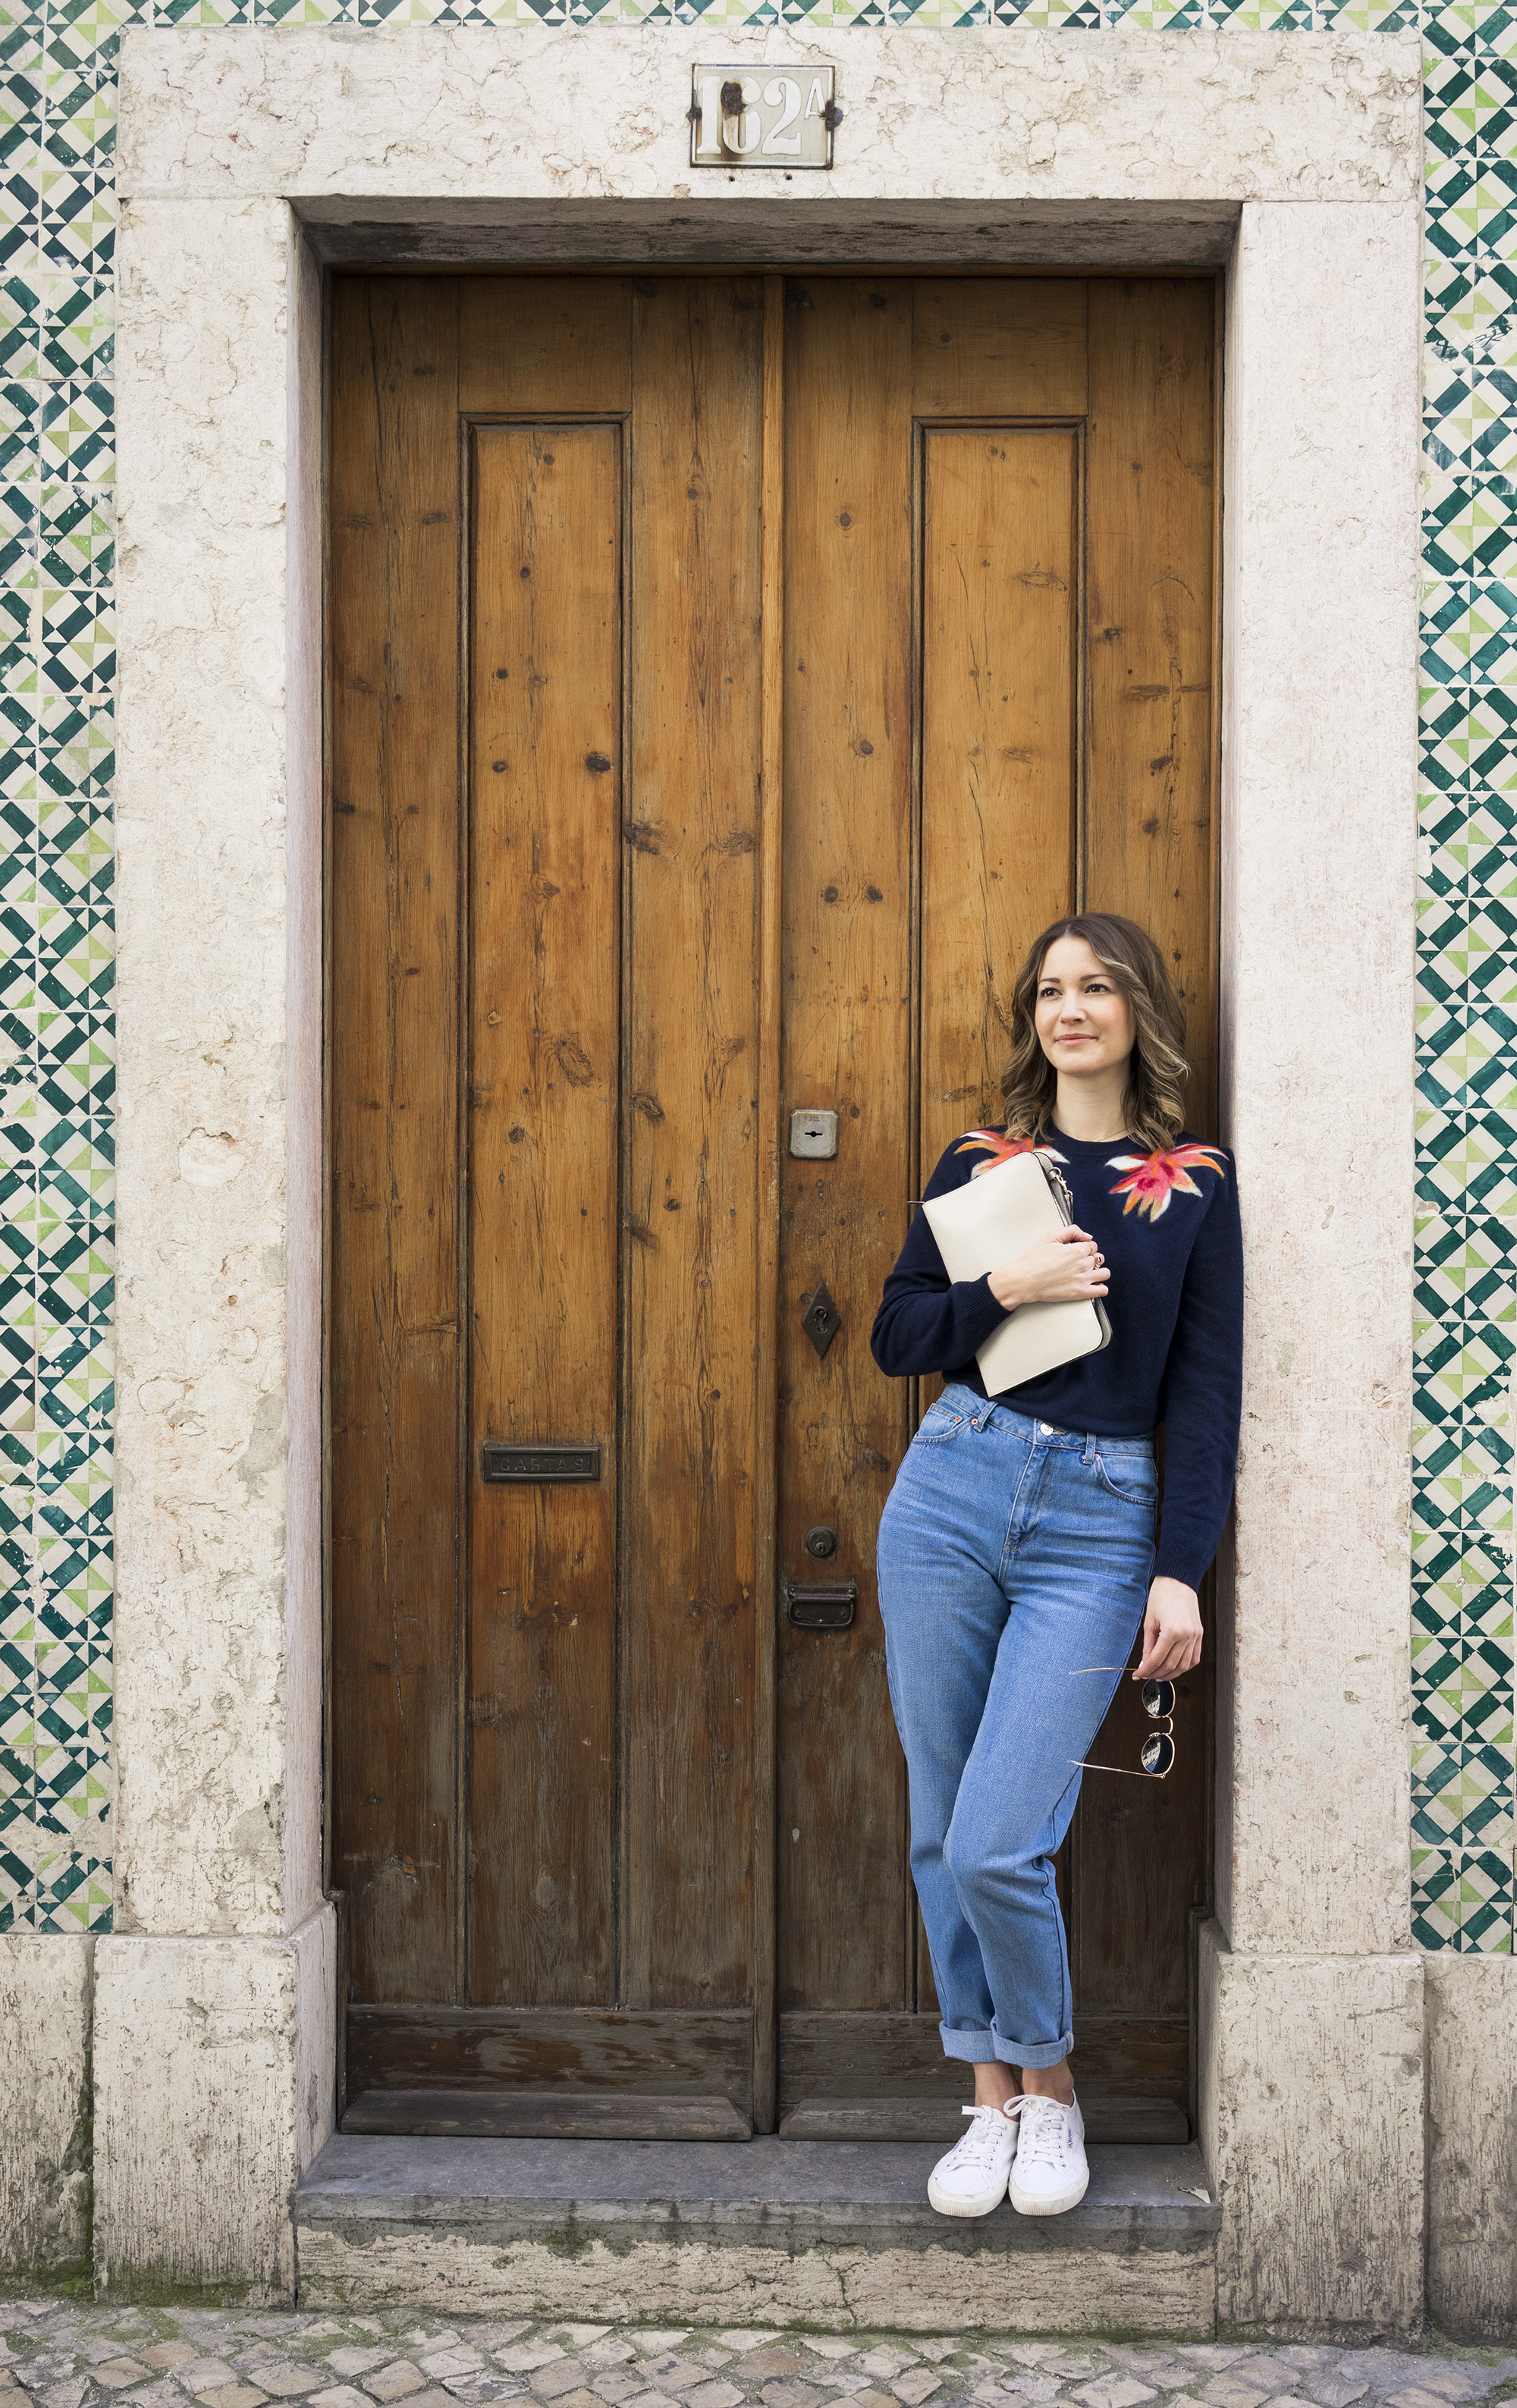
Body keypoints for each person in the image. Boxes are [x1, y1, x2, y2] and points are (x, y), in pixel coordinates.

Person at [871, 912, 1242, 2221]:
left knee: (995, 1840)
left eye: (1095, 987)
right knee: (938, 1825)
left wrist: (1178, 1569)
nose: (1069, 1008)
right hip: (955, 1487)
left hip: (1103, 1517)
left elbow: (1204, 1392)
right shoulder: (987, 1162)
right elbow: (897, 1332)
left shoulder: (1193, 1180)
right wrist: (1006, 1285)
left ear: (1139, 1007)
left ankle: (1055, 2086)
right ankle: (990, 2100)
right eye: (1049, 990)